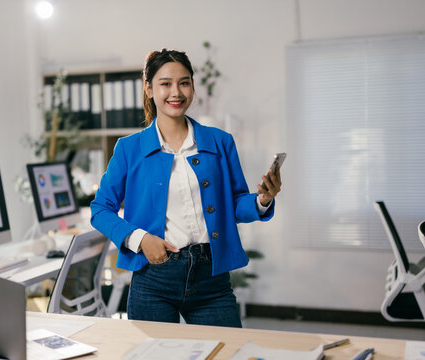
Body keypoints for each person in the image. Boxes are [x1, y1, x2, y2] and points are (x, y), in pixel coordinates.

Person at [90, 48, 282, 327]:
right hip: (154, 277)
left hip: (211, 278)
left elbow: (236, 202)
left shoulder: (220, 142)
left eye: (184, 82)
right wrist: (140, 239)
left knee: (226, 353)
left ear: (192, 85)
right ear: (148, 88)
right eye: (165, 83)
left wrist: (262, 199)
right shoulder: (129, 149)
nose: (176, 92)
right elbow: (100, 209)